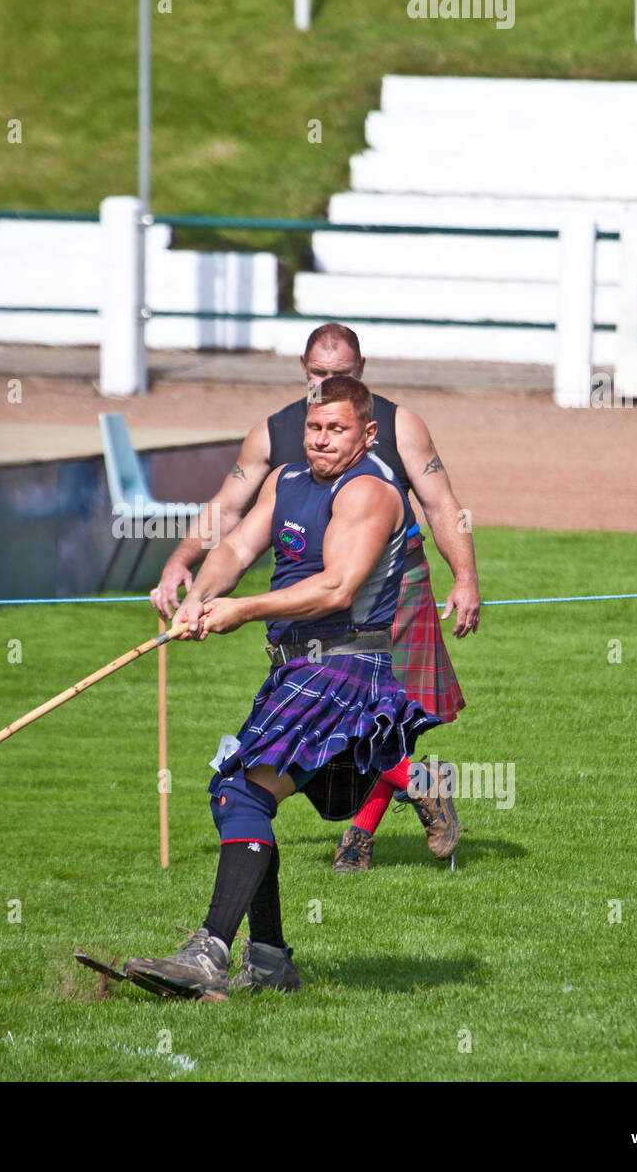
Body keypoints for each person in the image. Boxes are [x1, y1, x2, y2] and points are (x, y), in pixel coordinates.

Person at [121, 375, 440, 1000]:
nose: (321, 441)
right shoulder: (286, 480)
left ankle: (212, 953)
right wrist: (201, 597)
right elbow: (238, 546)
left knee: (242, 790)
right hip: (296, 668)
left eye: (337, 429)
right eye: (315, 428)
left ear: (367, 432)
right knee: (236, 794)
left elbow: (336, 588)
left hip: (344, 667)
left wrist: (240, 611)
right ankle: (267, 961)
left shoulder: (371, 492)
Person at [152, 323, 478, 870]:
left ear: (361, 372)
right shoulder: (275, 435)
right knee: (355, 715)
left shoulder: (400, 426)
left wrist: (464, 577)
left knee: (369, 706)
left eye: (342, 375)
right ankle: (414, 781)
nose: (329, 386)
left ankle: (361, 833)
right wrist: (185, 568)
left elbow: (441, 504)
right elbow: (230, 515)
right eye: (320, 376)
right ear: (304, 371)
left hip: (391, 588)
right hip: (303, 609)